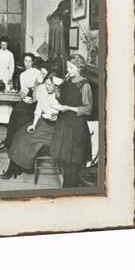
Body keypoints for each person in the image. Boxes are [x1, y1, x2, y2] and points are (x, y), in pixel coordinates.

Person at [1, 71, 61, 179]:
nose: (47, 87)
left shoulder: (60, 97)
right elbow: (38, 109)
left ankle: (17, 168)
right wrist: (33, 125)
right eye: (46, 84)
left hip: (53, 129)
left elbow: (65, 115)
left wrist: (57, 117)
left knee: (26, 140)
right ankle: (14, 168)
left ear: (56, 86)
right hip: (42, 122)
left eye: (50, 85)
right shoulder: (43, 91)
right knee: (18, 135)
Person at [50, 54, 93, 187]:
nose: (68, 70)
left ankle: (68, 191)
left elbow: (88, 109)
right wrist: (57, 91)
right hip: (63, 124)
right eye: (68, 67)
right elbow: (62, 100)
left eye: (71, 67)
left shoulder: (85, 85)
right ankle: (67, 189)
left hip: (76, 127)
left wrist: (69, 108)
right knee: (64, 162)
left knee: (73, 164)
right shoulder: (67, 81)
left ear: (79, 68)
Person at [0, 54, 42, 151]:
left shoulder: (38, 73)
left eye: (29, 61)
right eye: (25, 61)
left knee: (21, 114)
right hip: (27, 100)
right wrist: (24, 94)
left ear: (32, 62)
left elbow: (39, 88)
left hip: (37, 102)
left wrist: (32, 91)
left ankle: (12, 144)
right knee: (15, 114)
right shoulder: (22, 75)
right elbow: (24, 91)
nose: (27, 63)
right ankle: (8, 142)